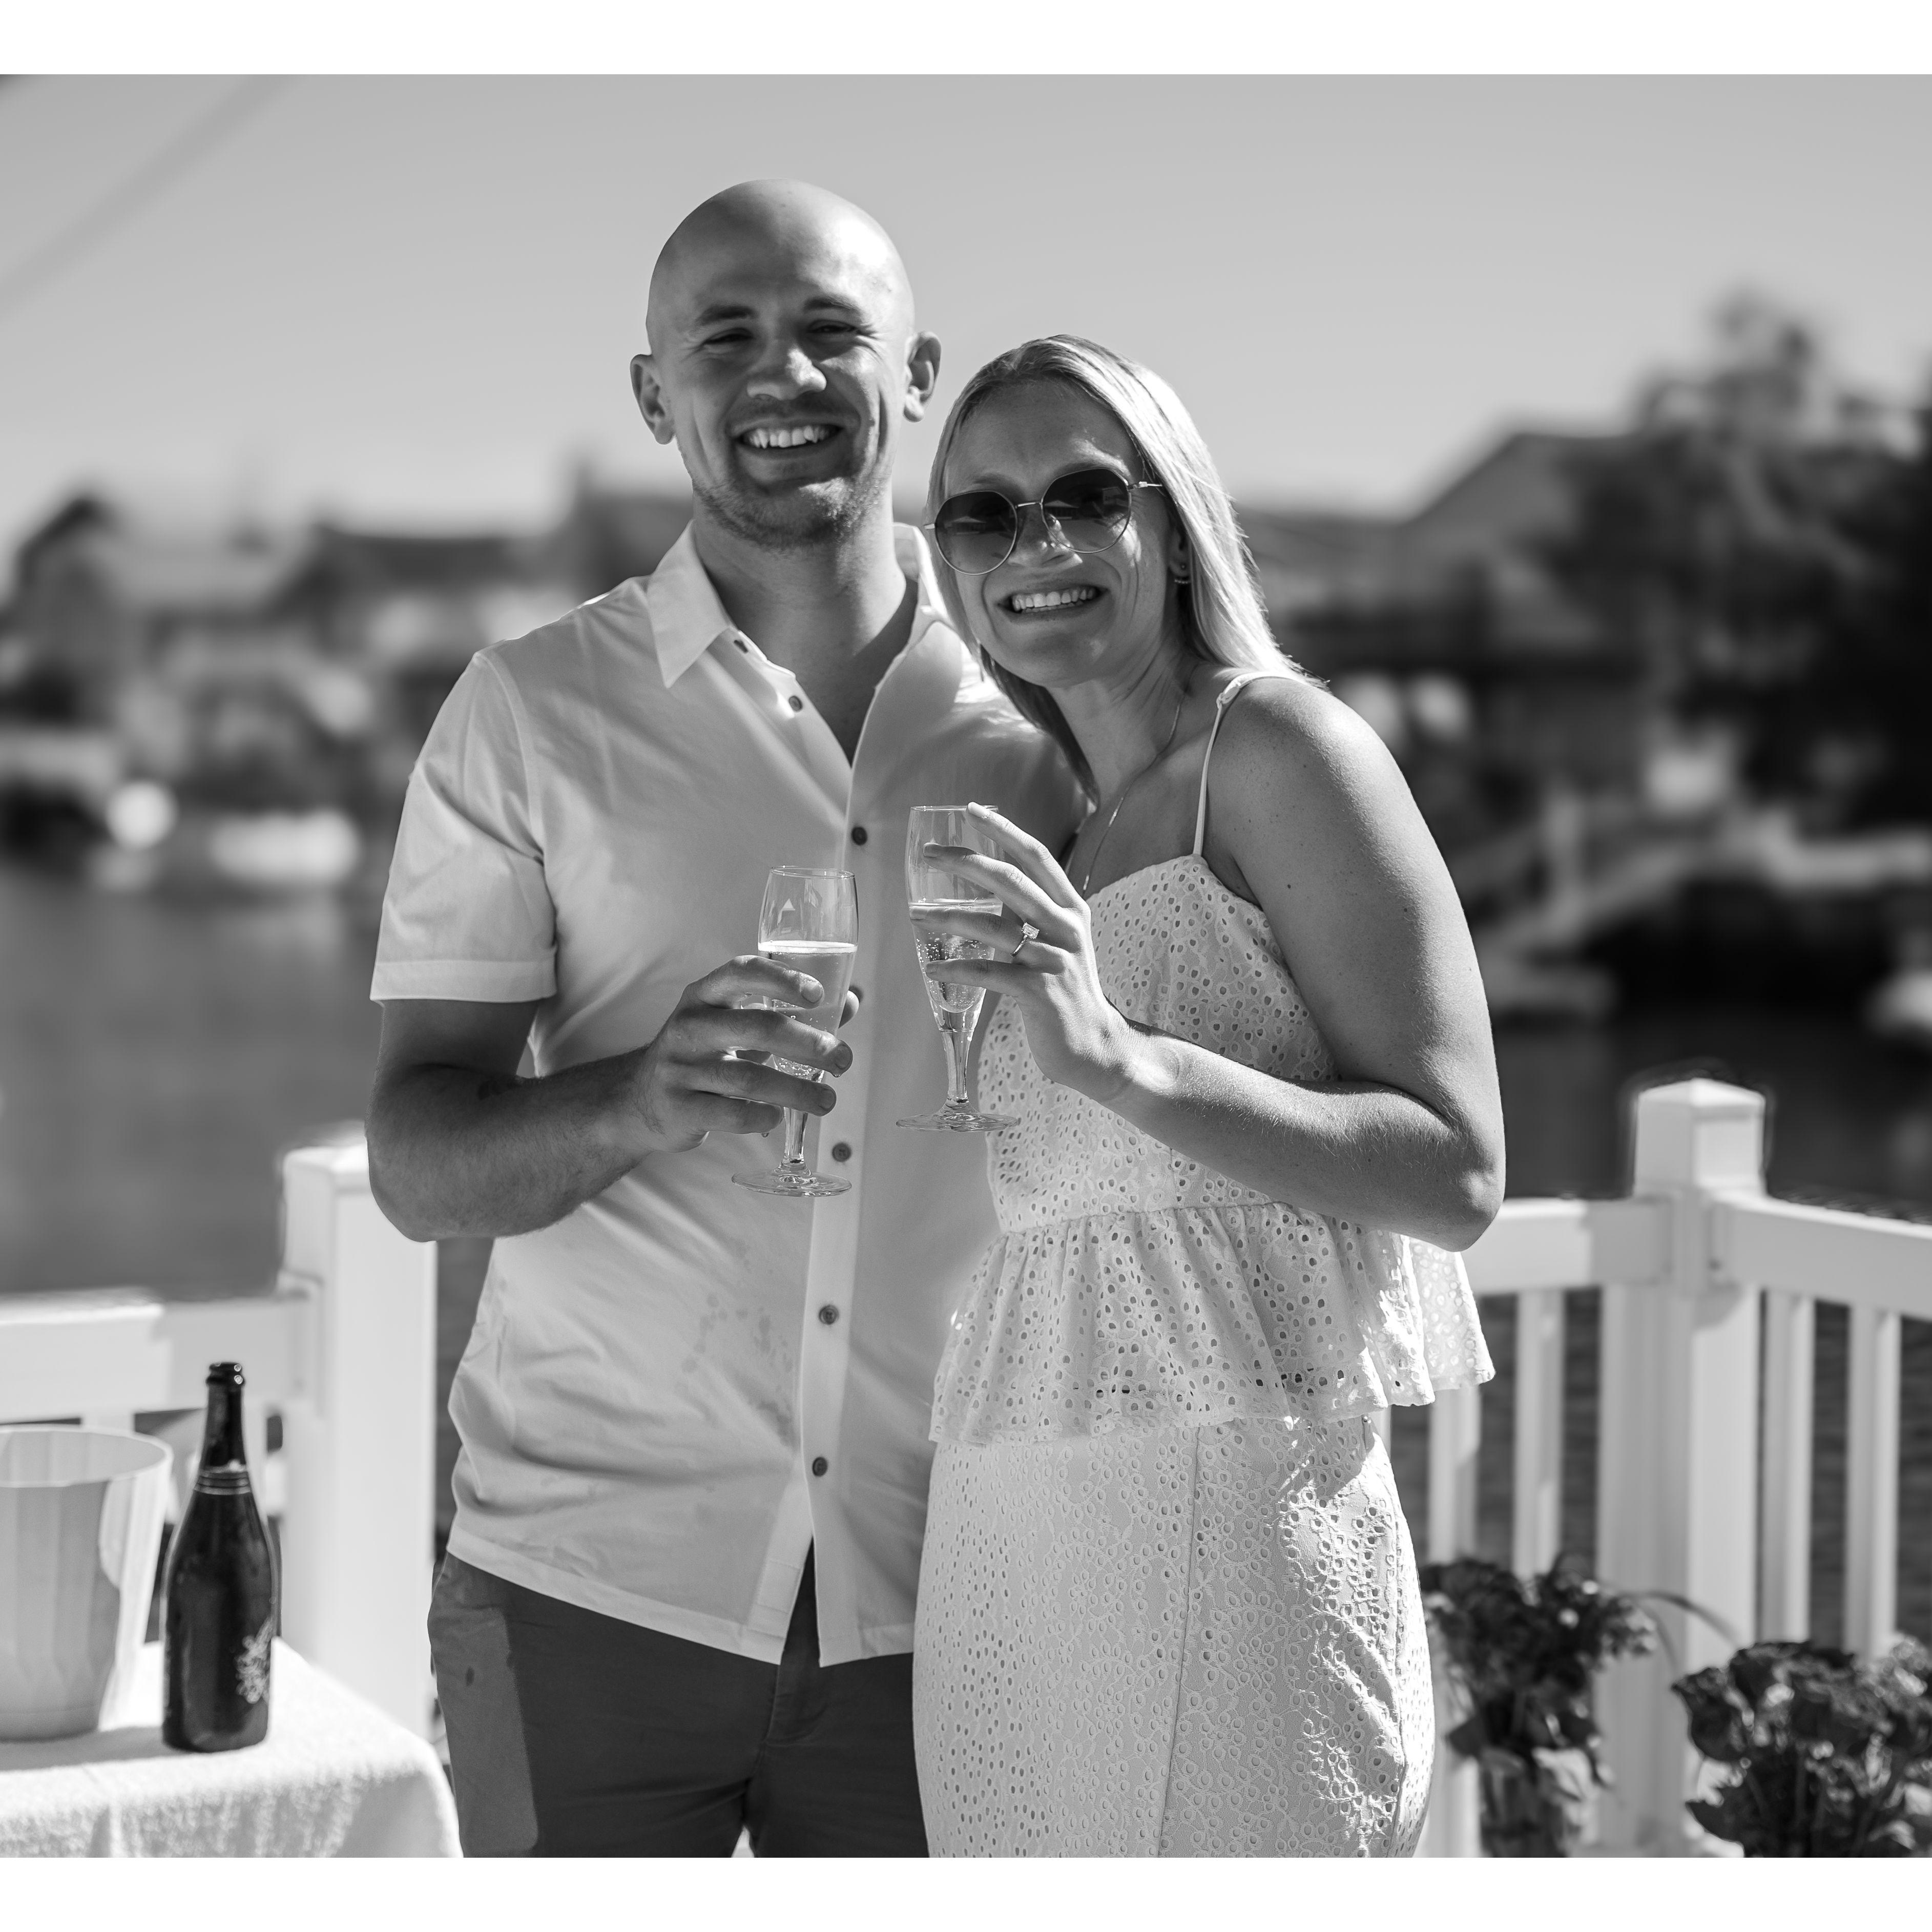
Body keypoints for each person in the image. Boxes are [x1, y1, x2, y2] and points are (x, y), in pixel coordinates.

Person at [364, 184, 1081, 1856]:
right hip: (580, 1582)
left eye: (831, 329)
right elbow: (415, 1158)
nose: (784, 373)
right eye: (726, 336)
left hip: (960, 1583)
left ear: (916, 374)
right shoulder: (530, 711)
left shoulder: (1051, 716)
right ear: (652, 393)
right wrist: (636, 1097)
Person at [905, 336, 1504, 1856]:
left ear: (1172, 528)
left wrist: (1124, 1059)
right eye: (982, 514)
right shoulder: (1058, 822)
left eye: (1083, 495)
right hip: (1019, 1551)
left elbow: (1454, 1170)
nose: (1034, 544)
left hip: (1244, 1543)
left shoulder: (1281, 746)